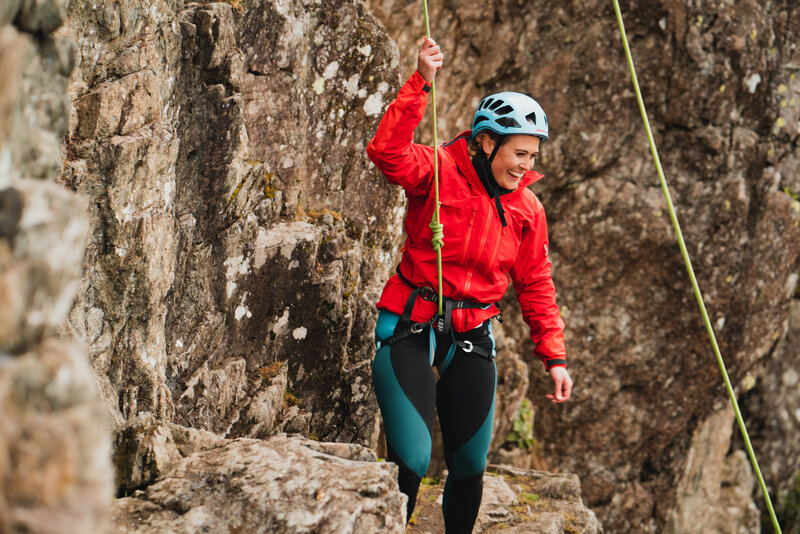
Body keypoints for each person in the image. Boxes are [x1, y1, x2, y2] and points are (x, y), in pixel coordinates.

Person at [367, 36, 573, 533]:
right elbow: (387, 153)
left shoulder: (527, 209)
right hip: (411, 326)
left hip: (472, 335)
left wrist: (555, 357)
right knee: (413, 459)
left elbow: (536, 283)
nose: (526, 166)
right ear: (486, 142)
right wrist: (421, 82)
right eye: (519, 153)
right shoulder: (438, 169)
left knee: (469, 466)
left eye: (533, 155)